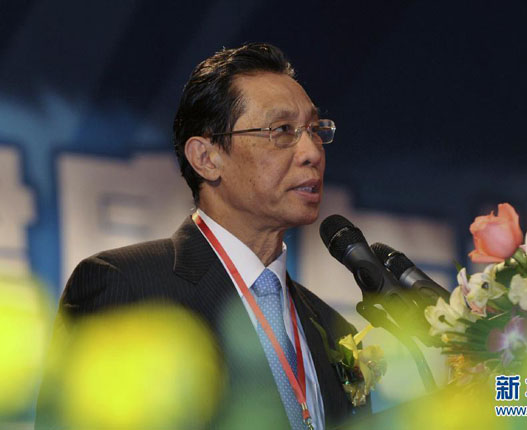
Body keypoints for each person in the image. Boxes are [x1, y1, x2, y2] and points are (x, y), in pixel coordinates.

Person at [36, 43, 367, 429]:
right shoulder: (126, 287)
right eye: (282, 131)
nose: (312, 152)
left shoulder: (334, 331)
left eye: (314, 130)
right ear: (206, 158)